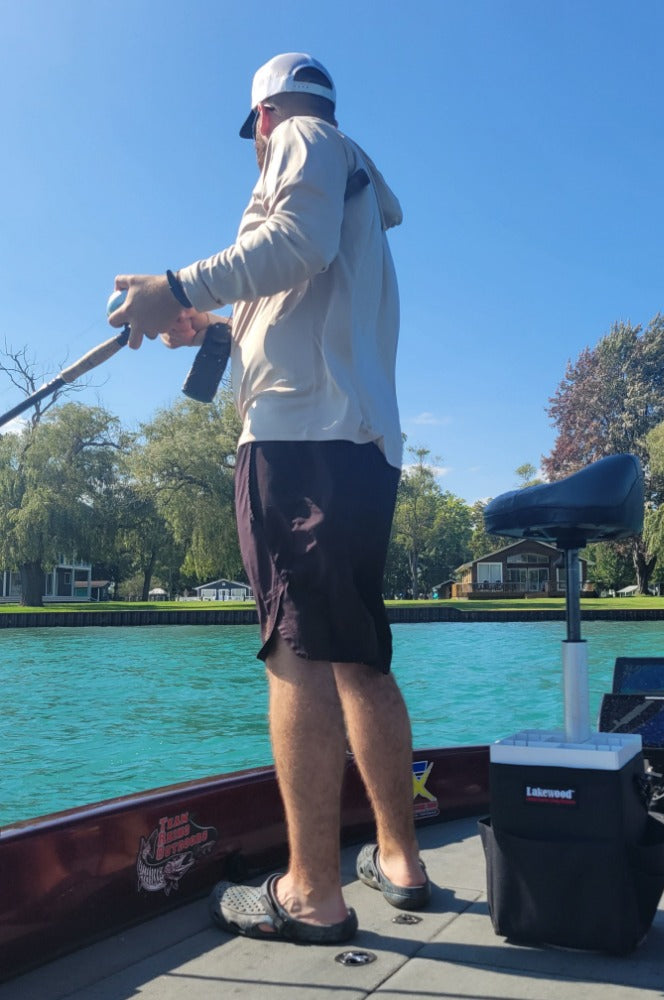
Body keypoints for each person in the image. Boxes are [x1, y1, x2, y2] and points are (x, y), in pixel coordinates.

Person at [109, 52, 429, 944]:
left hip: (297, 445)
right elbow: (300, 288)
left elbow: (293, 243)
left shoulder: (302, 139)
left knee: (296, 653)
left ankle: (311, 894)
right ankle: (400, 860)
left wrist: (174, 286)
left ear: (261, 121)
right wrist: (212, 324)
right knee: (358, 656)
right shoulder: (349, 183)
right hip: (360, 446)